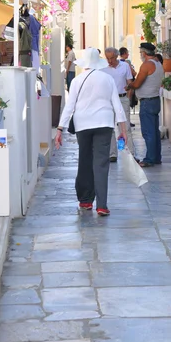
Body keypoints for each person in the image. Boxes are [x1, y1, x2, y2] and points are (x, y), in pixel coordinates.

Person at [55, 47, 127, 216]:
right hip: (104, 123)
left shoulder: (76, 81)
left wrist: (60, 129)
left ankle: (85, 200)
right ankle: (102, 205)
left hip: (83, 125)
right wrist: (122, 129)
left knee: (85, 160)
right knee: (101, 163)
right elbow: (117, 105)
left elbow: (69, 107)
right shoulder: (107, 79)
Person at [127, 42, 164, 167]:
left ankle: (149, 159)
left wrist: (129, 85)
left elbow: (137, 83)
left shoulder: (147, 65)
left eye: (140, 53)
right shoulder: (158, 63)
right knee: (154, 131)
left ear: (144, 53)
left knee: (148, 132)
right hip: (155, 100)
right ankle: (156, 157)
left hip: (147, 101)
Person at [102, 47, 135, 162]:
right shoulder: (103, 68)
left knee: (125, 127)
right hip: (109, 100)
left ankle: (130, 153)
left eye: (111, 58)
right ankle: (112, 154)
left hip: (122, 98)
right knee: (110, 127)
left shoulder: (125, 66)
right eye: (107, 58)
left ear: (116, 56)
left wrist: (128, 97)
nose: (109, 61)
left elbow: (129, 82)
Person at [119, 46, 137, 126]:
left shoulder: (118, 63)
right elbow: (133, 73)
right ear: (124, 54)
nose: (128, 54)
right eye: (127, 53)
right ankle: (127, 122)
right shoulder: (126, 63)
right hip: (128, 85)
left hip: (122, 86)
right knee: (127, 103)